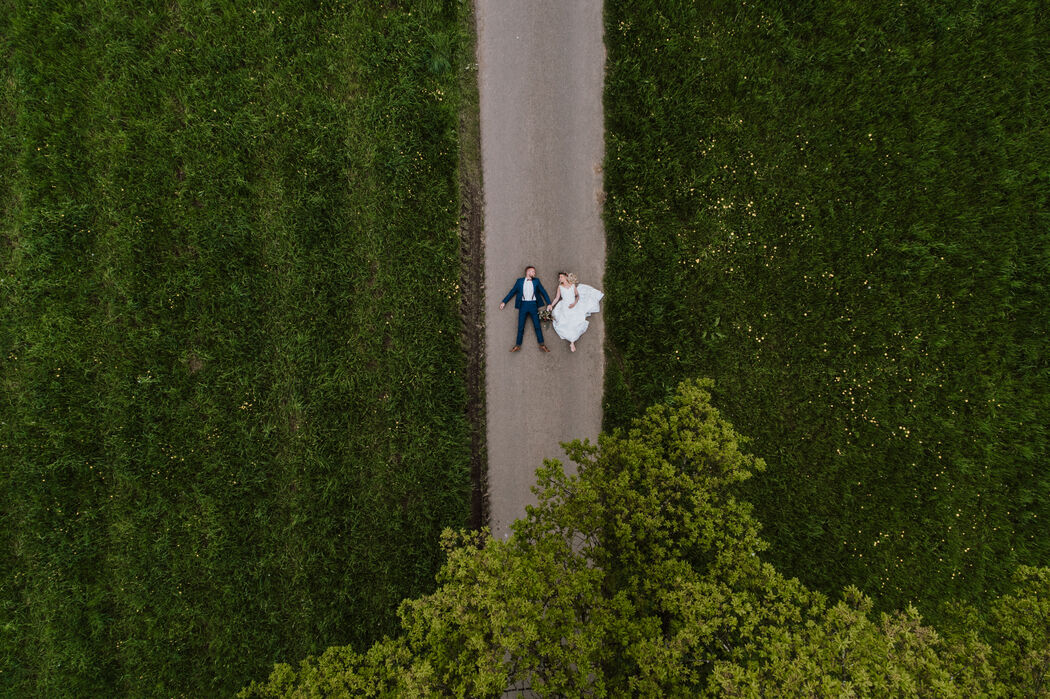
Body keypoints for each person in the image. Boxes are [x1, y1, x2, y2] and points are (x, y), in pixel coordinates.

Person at [500, 265, 553, 352]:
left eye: (534, 272)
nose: (534, 273)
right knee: (521, 326)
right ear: (527, 272)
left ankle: (542, 344)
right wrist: (504, 301)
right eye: (533, 271)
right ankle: (517, 345)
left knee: (537, 325)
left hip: (533, 305)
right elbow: (512, 291)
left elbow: (543, 292)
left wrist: (549, 303)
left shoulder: (537, 281)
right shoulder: (519, 281)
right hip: (523, 305)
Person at [547, 272, 603, 352]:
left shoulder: (572, 285)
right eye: (559, 277)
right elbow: (557, 298)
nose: (560, 279)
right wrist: (551, 305)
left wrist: (575, 303)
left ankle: (572, 342)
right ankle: (572, 341)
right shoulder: (560, 287)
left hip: (574, 305)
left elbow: (577, 295)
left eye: (561, 277)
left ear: (566, 277)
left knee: (576, 322)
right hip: (564, 306)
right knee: (565, 323)